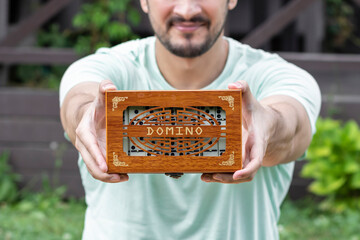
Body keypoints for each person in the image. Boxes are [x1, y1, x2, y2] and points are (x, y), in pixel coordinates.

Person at [60, 0, 321, 239]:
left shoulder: (279, 77)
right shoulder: (103, 67)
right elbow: (79, 101)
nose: (186, 10)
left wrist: (267, 127)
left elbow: (290, 124)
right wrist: (85, 116)